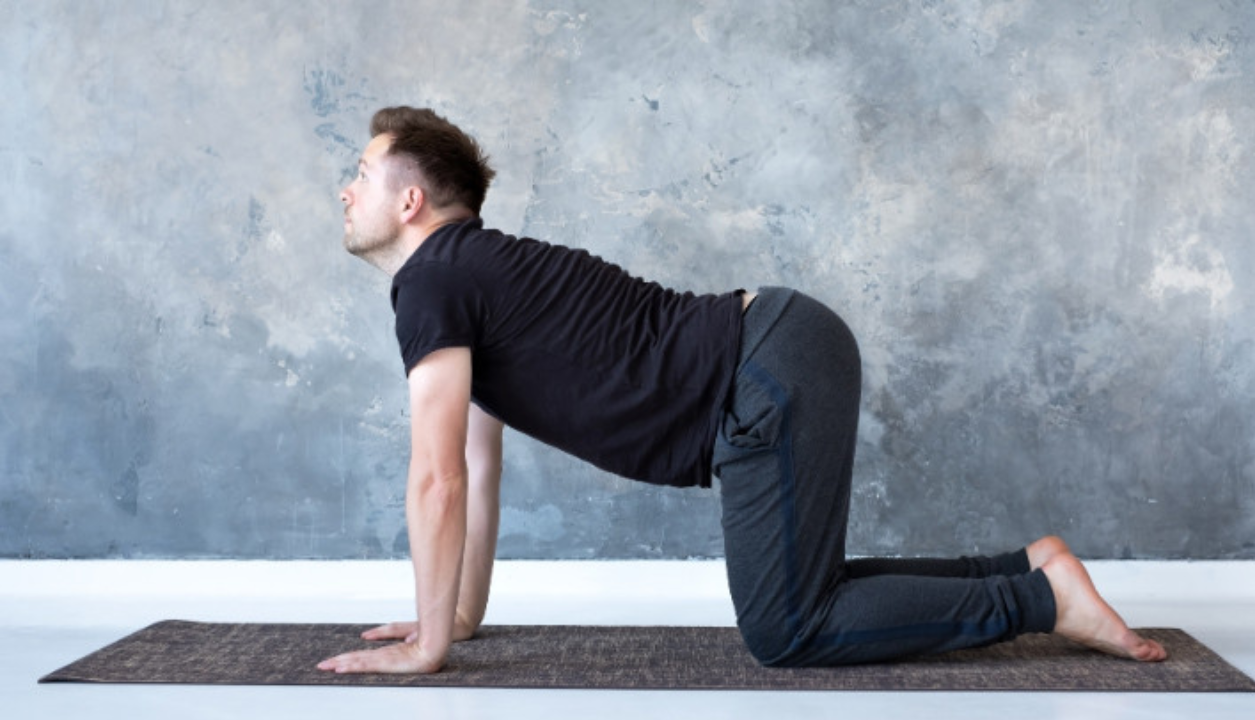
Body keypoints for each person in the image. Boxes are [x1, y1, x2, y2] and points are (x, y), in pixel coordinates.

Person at [317, 107, 1167, 675]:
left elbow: (437, 481)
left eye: (361, 170)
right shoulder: (473, 277)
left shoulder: (435, 281)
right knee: (808, 589)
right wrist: (454, 621)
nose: (347, 188)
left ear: (413, 200)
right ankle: (1028, 569)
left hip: (763, 372)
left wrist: (425, 649)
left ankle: (1040, 600)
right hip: (779, 350)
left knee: (787, 629)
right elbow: (474, 458)